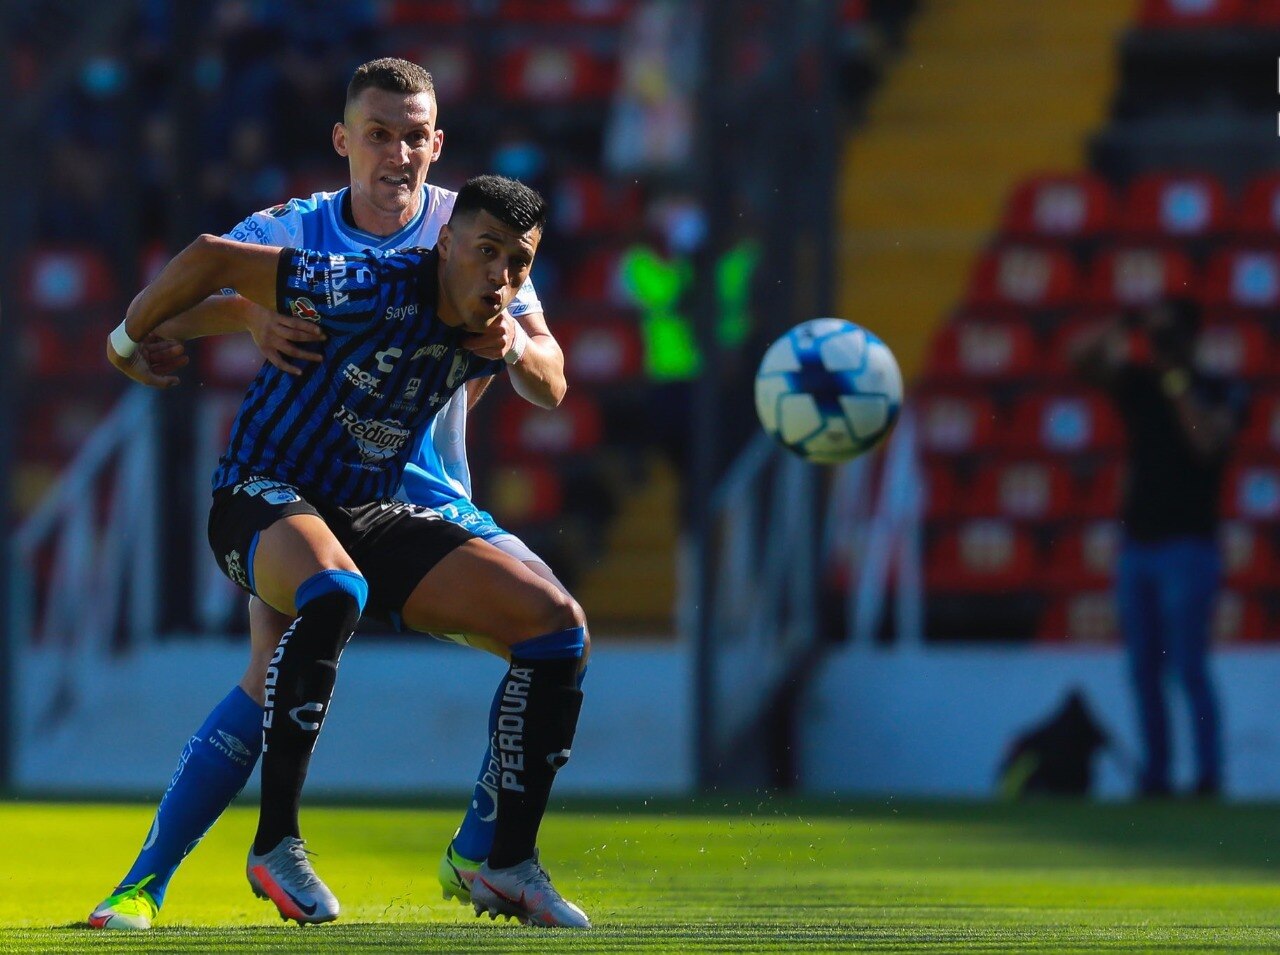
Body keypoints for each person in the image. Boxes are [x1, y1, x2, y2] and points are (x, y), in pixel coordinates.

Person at [87, 59, 589, 932]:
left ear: (438, 143)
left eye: (414, 136)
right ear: (344, 141)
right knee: (274, 662)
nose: (398, 153)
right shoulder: (301, 235)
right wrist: (246, 315)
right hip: (296, 480)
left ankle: (488, 849)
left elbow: (550, 376)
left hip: (421, 490)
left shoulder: (478, 234)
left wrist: (510, 343)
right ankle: (144, 883)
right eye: (379, 134)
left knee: (554, 628)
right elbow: (199, 286)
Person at [1072, 297, 1245, 798]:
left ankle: (1208, 775)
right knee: (1143, 670)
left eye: (1170, 335)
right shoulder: (1140, 383)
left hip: (1190, 548)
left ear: (1192, 339)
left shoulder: (1215, 388)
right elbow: (1079, 361)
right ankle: (1157, 776)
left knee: (1189, 666)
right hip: (1138, 547)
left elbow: (1207, 445)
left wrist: (1175, 380)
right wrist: (1121, 323)